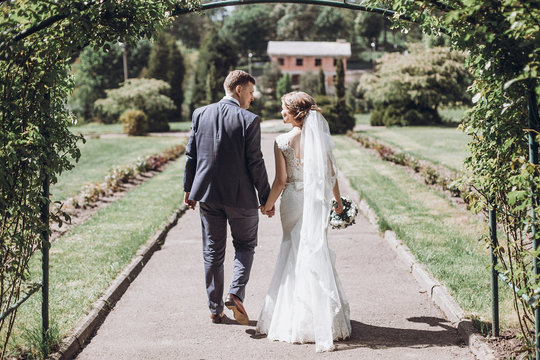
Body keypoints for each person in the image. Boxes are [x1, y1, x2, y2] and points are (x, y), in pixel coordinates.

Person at [256, 91, 351, 352]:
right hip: (316, 202)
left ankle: (294, 319)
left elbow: (281, 181)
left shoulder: (282, 141)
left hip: (293, 202)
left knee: (292, 252)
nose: (281, 113)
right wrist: (338, 201)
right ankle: (322, 320)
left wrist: (267, 205)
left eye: (284, 109)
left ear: (295, 112)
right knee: (314, 250)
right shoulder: (319, 139)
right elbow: (330, 173)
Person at [183, 70, 274, 325]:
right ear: (238, 90)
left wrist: (189, 189)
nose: (252, 98)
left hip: (208, 196)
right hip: (241, 197)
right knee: (245, 246)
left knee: (212, 251)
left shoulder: (200, 114)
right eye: (250, 92)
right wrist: (266, 198)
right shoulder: (249, 120)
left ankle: (215, 309)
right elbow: (255, 162)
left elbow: (191, 155)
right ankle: (235, 293)